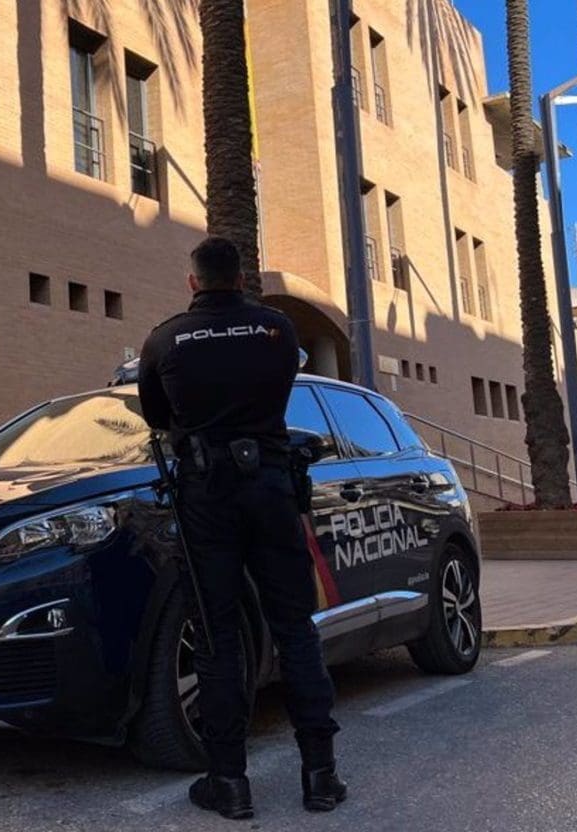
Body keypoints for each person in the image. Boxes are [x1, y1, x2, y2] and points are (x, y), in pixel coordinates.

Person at [137, 236, 346, 820]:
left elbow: (156, 416)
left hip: (207, 495)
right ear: (241, 278)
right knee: (295, 628)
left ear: (193, 281)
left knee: (217, 634)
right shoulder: (278, 330)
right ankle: (321, 775)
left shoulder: (166, 338)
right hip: (272, 488)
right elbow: (283, 387)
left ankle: (228, 781)